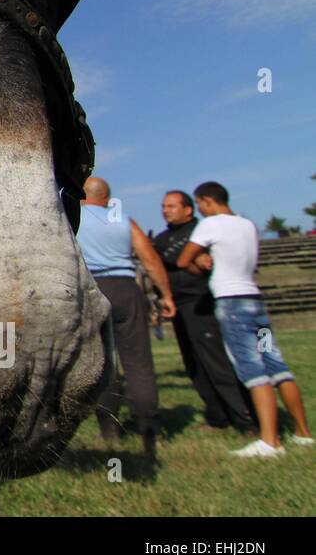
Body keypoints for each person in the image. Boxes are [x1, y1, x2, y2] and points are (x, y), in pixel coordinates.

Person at [177, 181, 313, 458]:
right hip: (254, 300)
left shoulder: (210, 225)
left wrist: (199, 263)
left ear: (207, 201)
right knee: (276, 365)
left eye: (200, 204)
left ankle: (270, 441)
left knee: (253, 369)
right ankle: (303, 432)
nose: (201, 210)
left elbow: (182, 261)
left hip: (231, 304)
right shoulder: (246, 224)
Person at [76, 176, 175, 459]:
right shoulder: (124, 221)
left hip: (91, 289)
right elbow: (150, 260)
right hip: (125, 287)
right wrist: (165, 295)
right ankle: (149, 428)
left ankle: (109, 429)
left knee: (103, 364)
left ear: (83, 196)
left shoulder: (73, 217)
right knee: (139, 361)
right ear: (107, 198)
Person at [153, 191, 256, 434]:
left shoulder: (202, 230)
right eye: (163, 206)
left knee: (217, 363)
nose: (165, 210)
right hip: (179, 307)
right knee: (194, 364)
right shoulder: (162, 237)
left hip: (202, 304)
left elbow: (205, 262)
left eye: (171, 206)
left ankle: (246, 419)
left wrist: (195, 260)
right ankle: (217, 416)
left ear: (189, 209)